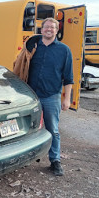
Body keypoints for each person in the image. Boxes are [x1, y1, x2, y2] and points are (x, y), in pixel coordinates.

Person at [27, 17, 73, 176]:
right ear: (41, 30)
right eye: (46, 27)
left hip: (51, 96)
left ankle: (55, 161)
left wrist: (67, 99)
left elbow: (68, 77)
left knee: (52, 129)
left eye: (52, 28)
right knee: (28, 128)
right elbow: (21, 65)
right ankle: (26, 156)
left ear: (57, 30)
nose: (49, 30)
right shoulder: (32, 47)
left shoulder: (64, 50)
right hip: (31, 96)